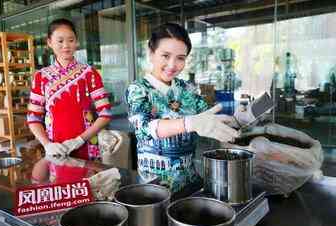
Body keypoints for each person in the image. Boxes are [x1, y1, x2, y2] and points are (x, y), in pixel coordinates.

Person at [125, 23, 240, 192]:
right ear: (151, 53)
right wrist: (187, 124)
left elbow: (207, 116)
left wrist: (237, 119)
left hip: (191, 181)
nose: (172, 65)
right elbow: (144, 128)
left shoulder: (186, 89)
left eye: (180, 58)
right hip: (155, 188)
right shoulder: (138, 89)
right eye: (165, 55)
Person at [28, 18, 112, 183]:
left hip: (87, 145)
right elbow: (33, 118)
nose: (66, 45)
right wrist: (47, 144)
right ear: (49, 42)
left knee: (89, 194)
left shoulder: (90, 73)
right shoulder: (41, 77)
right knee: (62, 194)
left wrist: (79, 140)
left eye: (71, 40)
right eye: (60, 41)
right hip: (55, 148)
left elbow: (105, 113)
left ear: (77, 42)